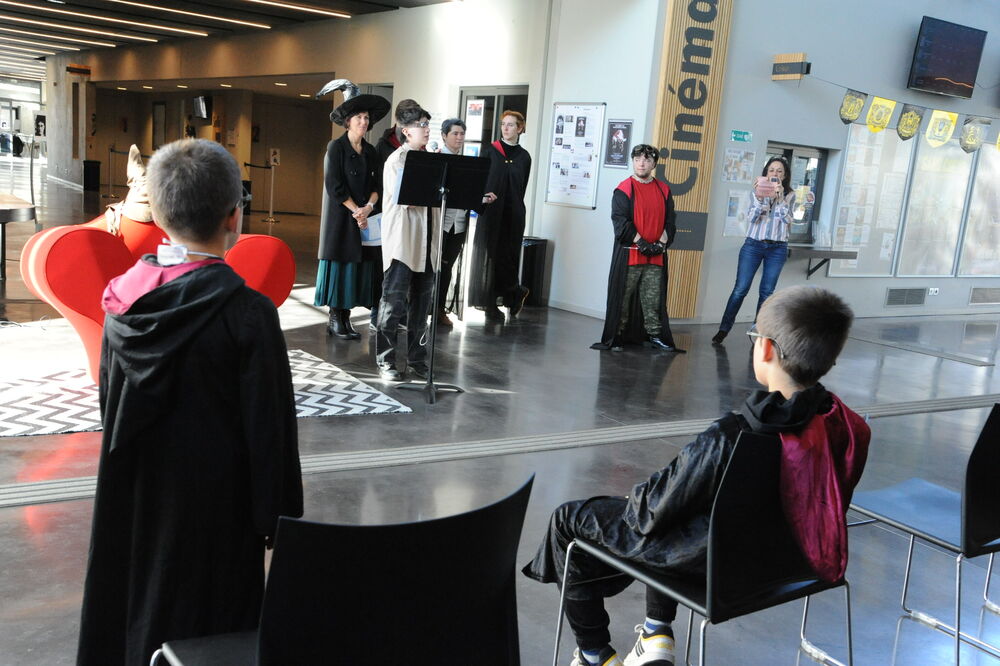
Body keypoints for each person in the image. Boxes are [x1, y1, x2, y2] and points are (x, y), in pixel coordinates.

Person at [524, 285, 870, 666]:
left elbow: (648, 513)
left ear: (767, 350)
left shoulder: (733, 436)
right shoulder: (846, 425)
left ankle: (594, 654)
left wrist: (634, 499)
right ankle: (655, 632)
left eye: (754, 337)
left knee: (570, 520)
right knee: (685, 503)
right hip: (791, 562)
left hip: (718, 570)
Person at [76, 139, 303, 666]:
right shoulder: (247, 313)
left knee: (138, 612)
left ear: (156, 214)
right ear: (234, 216)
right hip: (218, 515)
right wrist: (276, 517)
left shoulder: (122, 301)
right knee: (213, 633)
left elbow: (112, 404)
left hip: (135, 499)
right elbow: (269, 428)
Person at [590, 144, 684, 354]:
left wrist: (660, 244)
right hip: (631, 255)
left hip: (656, 257)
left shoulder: (664, 190)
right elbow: (620, 221)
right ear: (633, 161)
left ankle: (655, 335)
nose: (642, 163)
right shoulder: (624, 189)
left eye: (647, 160)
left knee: (653, 299)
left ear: (654, 164)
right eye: (638, 159)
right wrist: (641, 243)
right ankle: (617, 335)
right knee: (623, 298)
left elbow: (670, 220)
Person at [315, 84, 391, 338]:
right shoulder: (336, 147)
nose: (363, 121)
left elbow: (377, 185)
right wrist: (356, 210)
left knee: (357, 268)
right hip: (341, 218)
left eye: (366, 117)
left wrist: (368, 208)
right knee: (341, 265)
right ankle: (335, 317)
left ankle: (346, 318)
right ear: (348, 121)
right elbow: (334, 185)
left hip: (364, 218)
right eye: (358, 117)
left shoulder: (370, 151)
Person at [712, 156, 806, 345]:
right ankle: (724, 329)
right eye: (771, 170)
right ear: (766, 173)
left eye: (779, 171)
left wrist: (780, 199)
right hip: (753, 245)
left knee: (767, 292)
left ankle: (758, 333)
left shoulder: (790, 195)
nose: (775, 173)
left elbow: (787, 220)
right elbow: (752, 218)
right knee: (740, 289)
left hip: (777, 248)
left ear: (785, 175)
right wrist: (762, 199)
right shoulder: (755, 192)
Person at [375, 104, 439, 381]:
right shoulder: (396, 161)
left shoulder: (431, 160)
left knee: (421, 307)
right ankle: (386, 360)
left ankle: (417, 358)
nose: (426, 130)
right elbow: (409, 197)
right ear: (406, 131)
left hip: (428, 243)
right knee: (393, 304)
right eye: (421, 125)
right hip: (403, 243)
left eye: (427, 125)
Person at [471, 110, 532, 321]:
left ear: (520, 128)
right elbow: (479, 181)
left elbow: (522, 186)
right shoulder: (490, 152)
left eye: (511, 124)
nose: (505, 128)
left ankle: (511, 295)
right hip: (491, 212)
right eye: (503, 124)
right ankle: (494, 301)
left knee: (509, 256)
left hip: (514, 214)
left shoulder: (524, 157)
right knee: (491, 256)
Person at [435, 117, 470, 328]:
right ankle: (424, 309)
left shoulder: (466, 163)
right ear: (444, 135)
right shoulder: (437, 159)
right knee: (433, 268)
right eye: (455, 133)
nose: (459, 138)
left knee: (447, 268)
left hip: (459, 223)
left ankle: (439, 309)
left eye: (462, 134)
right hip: (440, 222)